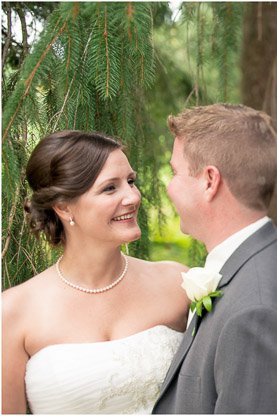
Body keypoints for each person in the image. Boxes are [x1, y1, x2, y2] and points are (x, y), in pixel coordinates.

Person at [153, 104, 277, 413]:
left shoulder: (257, 315)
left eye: (175, 172)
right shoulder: (271, 259)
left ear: (210, 181)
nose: (168, 186)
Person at [2, 131, 190, 414]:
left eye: (130, 182)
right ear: (64, 207)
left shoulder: (177, 284)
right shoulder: (13, 312)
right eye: (110, 188)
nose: (132, 197)